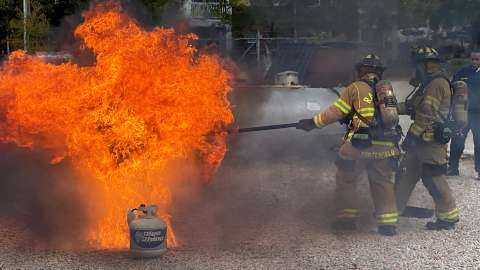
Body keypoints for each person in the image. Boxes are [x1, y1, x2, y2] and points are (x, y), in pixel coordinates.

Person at [296, 54, 401, 236]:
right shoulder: (385, 91)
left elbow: (335, 112)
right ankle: (388, 224)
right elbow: (389, 116)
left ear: (361, 70)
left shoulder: (355, 88)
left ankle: (346, 220)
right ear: (379, 72)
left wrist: (312, 123)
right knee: (383, 182)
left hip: (359, 145)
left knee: (347, 179)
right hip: (385, 145)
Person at [395, 46, 459, 230]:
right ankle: (391, 212)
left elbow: (426, 115)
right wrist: (386, 106)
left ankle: (448, 217)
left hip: (430, 141)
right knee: (405, 174)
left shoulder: (437, 84)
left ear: (426, 65)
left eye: (417, 66)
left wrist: (411, 137)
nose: (414, 70)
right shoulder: (427, 83)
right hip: (420, 142)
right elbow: (412, 106)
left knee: (433, 177)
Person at [447, 51, 480, 178]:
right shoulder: (462, 72)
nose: (474, 61)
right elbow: (452, 88)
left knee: (479, 142)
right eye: (472, 59)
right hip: (462, 112)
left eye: (477, 59)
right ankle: (453, 168)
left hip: (478, 115)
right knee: (457, 140)